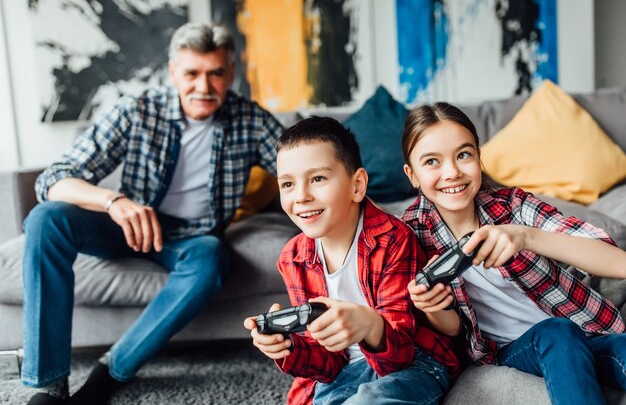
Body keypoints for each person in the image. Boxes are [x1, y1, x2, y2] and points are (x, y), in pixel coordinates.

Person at [21, 22, 285, 405]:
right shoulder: (137, 110)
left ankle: (109, 374)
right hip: (123, 225)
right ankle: (48, 385)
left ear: (231, 73)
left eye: (215, 73)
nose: (204, 87)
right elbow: (54, 179)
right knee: (46, 219)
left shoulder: (250, 120)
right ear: (173, 71)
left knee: (211, 257)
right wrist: (114, 202)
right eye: (192, 73)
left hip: (191, 239)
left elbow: (298, 164)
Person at [400, 102, 626, 405]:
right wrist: (431, 307)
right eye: (432, 162)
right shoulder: (409, 232)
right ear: (411, 174)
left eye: (464, 155)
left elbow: (617, 261)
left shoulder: (513, 206)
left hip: (586, 332)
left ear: (479, 159)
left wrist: (526, 236)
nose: (452, 172)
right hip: (516, 349)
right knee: (557, 332)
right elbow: (453, 328)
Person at [243, 116, 461, 405]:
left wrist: (371, 326)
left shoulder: (393, 239)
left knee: (370, 400)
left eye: (317, 179)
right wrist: (287, 347)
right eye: (287, 184)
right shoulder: (293, 258)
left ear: (357, 185)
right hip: (343, 374)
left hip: (413, 365)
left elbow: (401, 356)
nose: (301, 196)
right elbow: (327, 364)